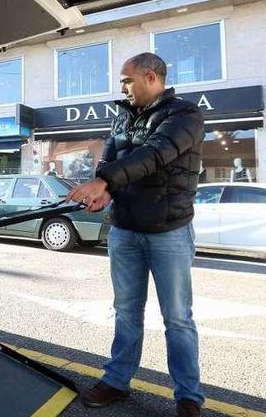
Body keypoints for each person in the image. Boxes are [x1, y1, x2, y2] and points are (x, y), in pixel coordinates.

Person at [66, 52, 205, 417]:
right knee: (126, 311)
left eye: (127, 80)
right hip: (124, 229)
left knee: (177, 317)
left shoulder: (185, 115)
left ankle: (188, 395)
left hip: (169, 231)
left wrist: (103, 181)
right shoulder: (122, 116)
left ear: (150, 76)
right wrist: (105, 192)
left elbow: (156, 153)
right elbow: (109, 162)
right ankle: (117, 380)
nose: (123, 87)